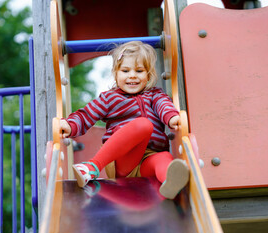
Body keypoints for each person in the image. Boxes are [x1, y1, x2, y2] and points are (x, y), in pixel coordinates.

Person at [60, 41, 189, 199]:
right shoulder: (110, 98)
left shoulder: (155, 95)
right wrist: (70, 125)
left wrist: (172, 117)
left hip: (147, 160)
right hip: (121, 159)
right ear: (116, 73)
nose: (132, 75)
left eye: (139, 71)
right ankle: (92, 166)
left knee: (165, 158)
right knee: (143, 125)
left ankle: (170, 183)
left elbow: (164, 106)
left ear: (148, 74)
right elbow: (87, 114)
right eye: (125, 70)